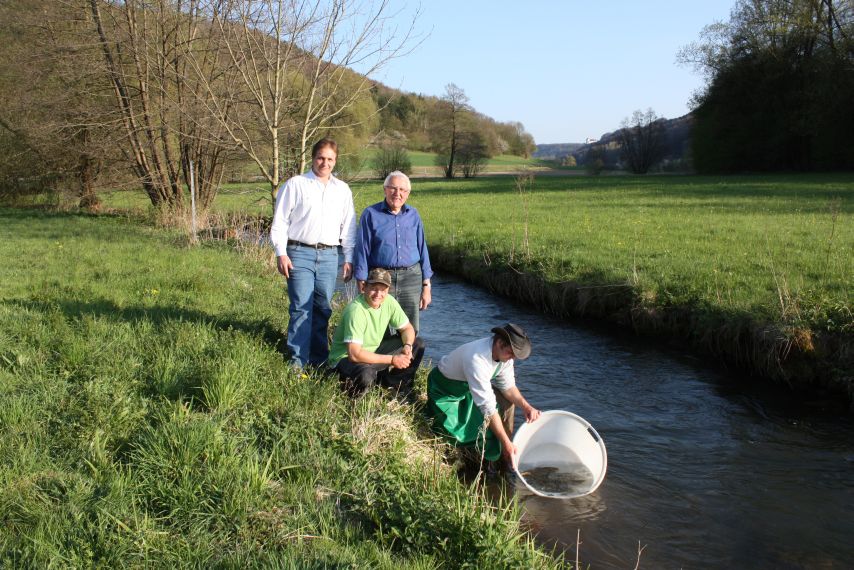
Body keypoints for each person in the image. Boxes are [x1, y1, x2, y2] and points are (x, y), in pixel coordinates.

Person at [270, 139, 357, 368]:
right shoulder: (296, 184)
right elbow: (279, 221)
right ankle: (298, 362)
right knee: (301, 307)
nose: (324, 163)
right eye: (321, 157)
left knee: (322, 308)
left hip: (330, 256)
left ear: (335, 161)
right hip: (299, 252)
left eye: (329, 159)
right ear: (313, 158)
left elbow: (348, 228)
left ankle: (318, 361)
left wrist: (348, 258)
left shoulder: (343, 190)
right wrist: (281, 253)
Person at [426, 323, 541, 468]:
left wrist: (527, 407)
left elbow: (508, 387)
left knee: (506, 403)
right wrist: (505, 442)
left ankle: (505, 453)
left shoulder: (504, 356)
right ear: (499, 343)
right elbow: (488, 409)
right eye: (511, 353)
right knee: (457, 435)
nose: (512, 358)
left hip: (466, 388)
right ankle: (500, 449)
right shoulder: (477, 359)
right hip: (444, 391)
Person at [353, 171, 433, 333]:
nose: (397, 194)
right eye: (393, 188)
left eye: (402, 190)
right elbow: (362, 248)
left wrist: (426, 284)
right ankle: (381, 358)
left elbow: (422, 248)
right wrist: (361, 278)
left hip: (411, 277)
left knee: (409, 327)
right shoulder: (370, 214)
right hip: (380, 277)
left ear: (408, 193)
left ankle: (407, 358)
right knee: (379, 326)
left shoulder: (413, 215)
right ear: (385, 190)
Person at [328, 268, 426, 399]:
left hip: (373, 352)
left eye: (383, 289)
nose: (378, 294)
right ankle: (353, 397)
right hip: (344, 360)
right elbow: (354, 354)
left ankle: (394, 385)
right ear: (364, 287)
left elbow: (407, 329)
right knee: (366, 374)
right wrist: (392, 359)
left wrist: (407, 346)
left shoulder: (389, 301)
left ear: (388, 290)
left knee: (417, 344)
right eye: (374, 288)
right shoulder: (356, 311)